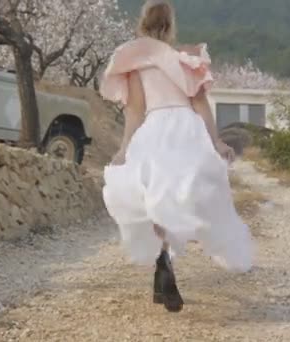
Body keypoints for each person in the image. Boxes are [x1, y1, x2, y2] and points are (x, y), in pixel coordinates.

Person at [100, 0, 254, 313]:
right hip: (187, 131)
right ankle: (166, 260)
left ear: (142, 23)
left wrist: (124, 147)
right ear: (171, 26)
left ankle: (162, 260)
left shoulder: (135, 65)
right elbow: (200, 105)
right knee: (186, 195)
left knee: (155, 198)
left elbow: (135, 113)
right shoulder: (186, 59)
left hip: (154, 130)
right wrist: (216, 141)